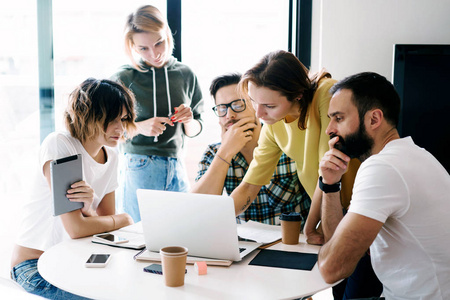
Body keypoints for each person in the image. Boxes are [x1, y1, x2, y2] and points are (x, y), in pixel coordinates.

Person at [317, 72, 450, 299]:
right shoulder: (417, 155)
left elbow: (332, 268)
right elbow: (336, 245)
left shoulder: (383, 168)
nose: (330, 129)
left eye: (338, 118)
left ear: (374, 119)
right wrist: (330, 185)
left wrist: (326, 255)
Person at [10, 78, 137, 299]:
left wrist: (88, 211)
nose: (120, 128)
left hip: (75, 259)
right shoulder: (61, 145)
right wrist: (124, 219)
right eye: (112, 119)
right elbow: (76, 229)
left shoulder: (112, 157)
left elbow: (105, 228)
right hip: (34, 265)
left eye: (124, 119)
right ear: (89, 116)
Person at [110, 5, 204, 222]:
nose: (155, 54)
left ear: (167, 35)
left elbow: (197, 126)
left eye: (159, 43)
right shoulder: (123, 77)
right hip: (139, 164)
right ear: (132, 46)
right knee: (139, 238)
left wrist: (189, 120)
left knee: (182, 233)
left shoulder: (185, 74)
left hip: (176, 163)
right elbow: (106, 132)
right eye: (143, 48)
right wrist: (139, 127)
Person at [192, 73, 310, 225]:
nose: (230, 115)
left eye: (238, 105)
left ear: (255, 106)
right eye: (222, 108)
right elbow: (197, 208)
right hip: (242, 246)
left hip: (289, 245)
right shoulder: (213, 153)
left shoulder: (285, 142)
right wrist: (225, 153)